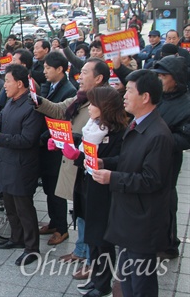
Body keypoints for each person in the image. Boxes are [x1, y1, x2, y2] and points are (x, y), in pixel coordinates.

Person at [94, 70, 173, 296]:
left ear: (145, 97)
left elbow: (151, 180)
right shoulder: (137, 124)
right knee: (127, 279)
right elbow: (129, 161)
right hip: (129, 215)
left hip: (142, 220)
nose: (124, 96)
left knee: (141, 284)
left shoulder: (158, 134)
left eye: (129, 91)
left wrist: (112, 177)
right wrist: (105, 162)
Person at [34, 58, 111, 279]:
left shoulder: (105, 103)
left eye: (85, 72)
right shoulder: (79, 99)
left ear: (99, 78)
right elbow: (58, 109)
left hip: (92, 167)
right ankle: (80, 250)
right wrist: (37, 100)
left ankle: (93, 261)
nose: (79, 76)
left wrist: (77, 147)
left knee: (92, 214)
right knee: (79, 210)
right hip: (75, 162)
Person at [51, 87, 126, 297]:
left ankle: (103, 284)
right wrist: (66, 146)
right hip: (85, 185)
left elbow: (122, 161)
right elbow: (84, 151)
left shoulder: (118, 132)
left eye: (94, 104)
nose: (90, 108)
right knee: (92, 236)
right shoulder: (92, 126)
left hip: (103, 191)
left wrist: (86, 158)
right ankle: (95, 279)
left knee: (102, 239)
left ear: (106, 107)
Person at [0, 64, 45, 266]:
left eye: (7, 82)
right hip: (6, 162)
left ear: (20, 83)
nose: (5, 87)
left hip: (22, 165)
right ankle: (16, 238)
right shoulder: (12, 102)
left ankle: (32, 248)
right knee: (9, 205)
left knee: (24, 209)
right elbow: (0, 120)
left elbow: (27, 139)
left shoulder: (32, 106)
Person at [151, 56, 190, 259]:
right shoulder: (160, 96)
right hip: (150, 157)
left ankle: (168, 244)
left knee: (166, 201)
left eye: (164, 76)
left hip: (168, 160)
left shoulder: (186, 104)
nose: (160, 79)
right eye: (159, 75)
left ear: (176, 78)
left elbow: (185, 139)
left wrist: (158, 139)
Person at [37, 52, 77, 246]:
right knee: (48, 188)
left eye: (48, 68)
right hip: (46, 146)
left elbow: (63, 120)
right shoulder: (51, 86)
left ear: (60, 69)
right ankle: (54, 222)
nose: (44, 72)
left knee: (56, 190)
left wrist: (45, 136)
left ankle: (62, 229)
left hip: (56, 147)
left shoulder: (69, 91)